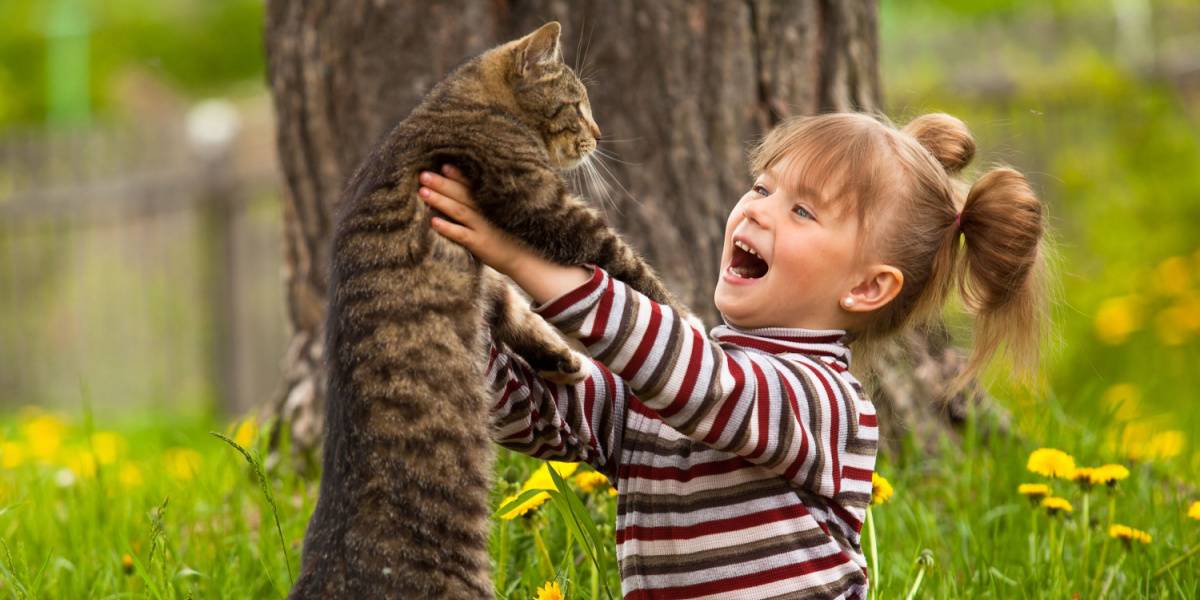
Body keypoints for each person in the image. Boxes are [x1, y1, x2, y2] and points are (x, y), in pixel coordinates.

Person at [417, 111, 1050, 599]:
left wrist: (527, 261)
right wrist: (456, 325)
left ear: (866, 287)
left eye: (801, 210)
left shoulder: (824, 402)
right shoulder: (672, 382)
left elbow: (709, 389)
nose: (757, 210)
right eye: (761, 186)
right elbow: (551, 414)